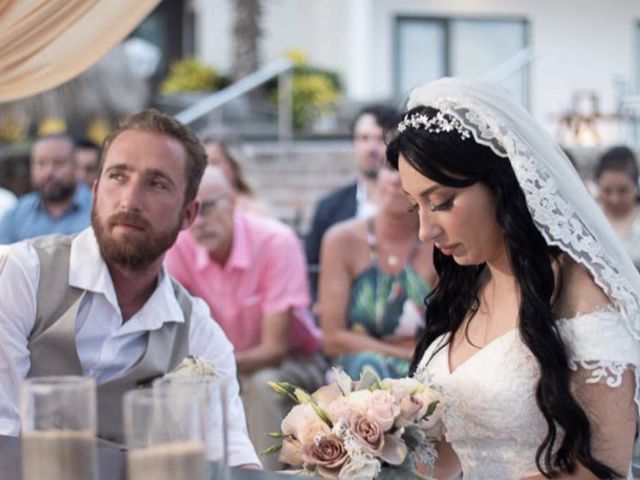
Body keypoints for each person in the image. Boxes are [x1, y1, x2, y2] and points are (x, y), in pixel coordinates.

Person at [387, 78, 639, 478]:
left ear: (502, 186)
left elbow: (599, 468)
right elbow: (442, 459)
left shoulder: (583, 294)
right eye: (413, 206)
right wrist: (360, 447)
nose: (425, 231)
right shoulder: (466, 288)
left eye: (441, 203)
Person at [0, 110, 260, 467]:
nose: (129, 200)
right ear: (94, 192)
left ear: (188, 214)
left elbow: (231, 461)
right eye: (117, 176)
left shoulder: (198, 332)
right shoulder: (21, 275)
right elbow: (3, 430)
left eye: (156, 184)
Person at [165, 166, 326, 470]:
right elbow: (174, 334)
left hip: (290, 361)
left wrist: (212, 367)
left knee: (263, 385)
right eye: (189, 211)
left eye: (208, 207)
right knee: (172, 388)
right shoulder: (180, 248)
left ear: (233, 201)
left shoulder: (276, 242)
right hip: (217, 365)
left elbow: (274, 348)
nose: (199, 221)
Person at [318, 167, 435, 380]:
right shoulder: (341, 240)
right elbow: (333, 339)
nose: (396, 179)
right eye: (390, 168)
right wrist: (404, 352)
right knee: (367, 367)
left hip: (426, 368)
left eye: (408, 171)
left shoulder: (439, 244)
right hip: (359, 369)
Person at [305, 104, 400, 297]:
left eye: (380, 139)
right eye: (363, 138)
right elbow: (312, 269)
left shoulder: (413, 204)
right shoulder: (329, 207)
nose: (371, 148)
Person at [0, 134, 92, 244]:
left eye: (58, 163)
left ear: (75, 166)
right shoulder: (15, 217)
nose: (49, 172)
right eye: (41, 163)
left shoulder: (97, 211)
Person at [594, 145, 640, 270]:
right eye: (607, 191)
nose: (615, 199)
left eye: (623, 191)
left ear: (635, 187)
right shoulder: (590, 219)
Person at [202, 137, 271, 216]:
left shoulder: (254, 209)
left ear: (233, 165)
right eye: (204, 165)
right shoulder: (196, 213)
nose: (209, 170)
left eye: (215, 162)